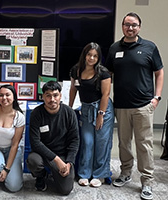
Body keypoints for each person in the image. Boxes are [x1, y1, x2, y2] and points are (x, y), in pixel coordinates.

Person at [105, 12, 164, 200]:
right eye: (127, 24)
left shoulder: (149, 47)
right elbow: (107, 75)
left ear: (139, 27)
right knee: (123, 142)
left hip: (143, 105)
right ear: (122, 26)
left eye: (134, 25)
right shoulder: (114, 48)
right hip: (121, 105)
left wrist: (156, 98)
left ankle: (147, 181)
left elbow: (159, 73)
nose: (130, 28)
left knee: (144, 144)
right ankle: (125, 173)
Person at [69, 42, 114, 187]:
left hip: (102, 109)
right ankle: (84, 173)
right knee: (87, 142)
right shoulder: (76, 70)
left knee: (102, 143)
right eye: (89, 55)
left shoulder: (103, 73)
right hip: (86, 109)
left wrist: (101, 115)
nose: (91, 58)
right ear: (85, 55)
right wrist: (69, 108)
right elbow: (73, 89)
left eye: (95, 56)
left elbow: (106, 94)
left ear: (99, 57)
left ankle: (99, 174)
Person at [26, 81, 79, 195]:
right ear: (43, 97)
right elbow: (35, 142)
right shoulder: (37, 113)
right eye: (48, 96)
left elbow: (74, 140)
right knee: (33, 161)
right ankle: (41, 176)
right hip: (43, 154)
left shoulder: (69, 113)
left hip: (63, 155)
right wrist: (56, 160)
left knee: (65, 190)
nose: (52, 99)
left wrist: (69, 162)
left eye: (55, 95)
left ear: (60, 95)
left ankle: (55, 173)